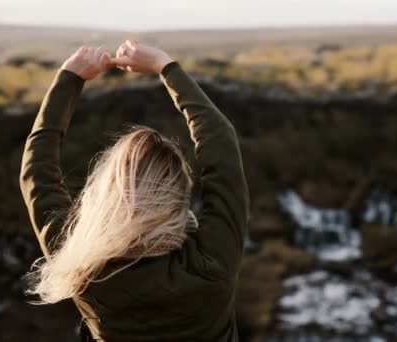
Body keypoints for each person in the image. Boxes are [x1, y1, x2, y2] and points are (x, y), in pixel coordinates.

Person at [19, 41, 249, 341]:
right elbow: (221, 145)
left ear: (107, 192)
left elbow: (37, 170)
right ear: (179, 194)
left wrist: (69, 79)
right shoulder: (211, 263)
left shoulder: (82, 268)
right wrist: (166, 66)